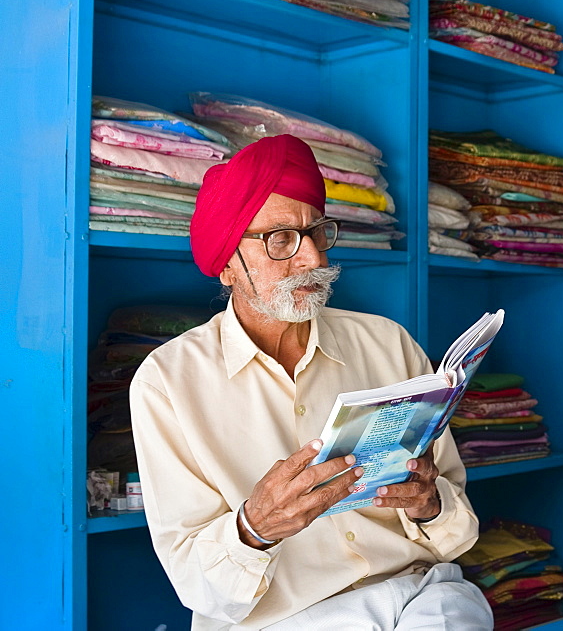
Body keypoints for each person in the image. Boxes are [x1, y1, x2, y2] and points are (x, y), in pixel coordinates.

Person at [130, 134, 493, 630]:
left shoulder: (388, 343)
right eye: (280, 239)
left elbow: (457, 530)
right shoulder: (167, 382)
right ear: (228, 264)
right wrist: (253, 528)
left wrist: (430, 505)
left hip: (422, 598)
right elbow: (197, 585)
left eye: (318, 233)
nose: (314, 259)